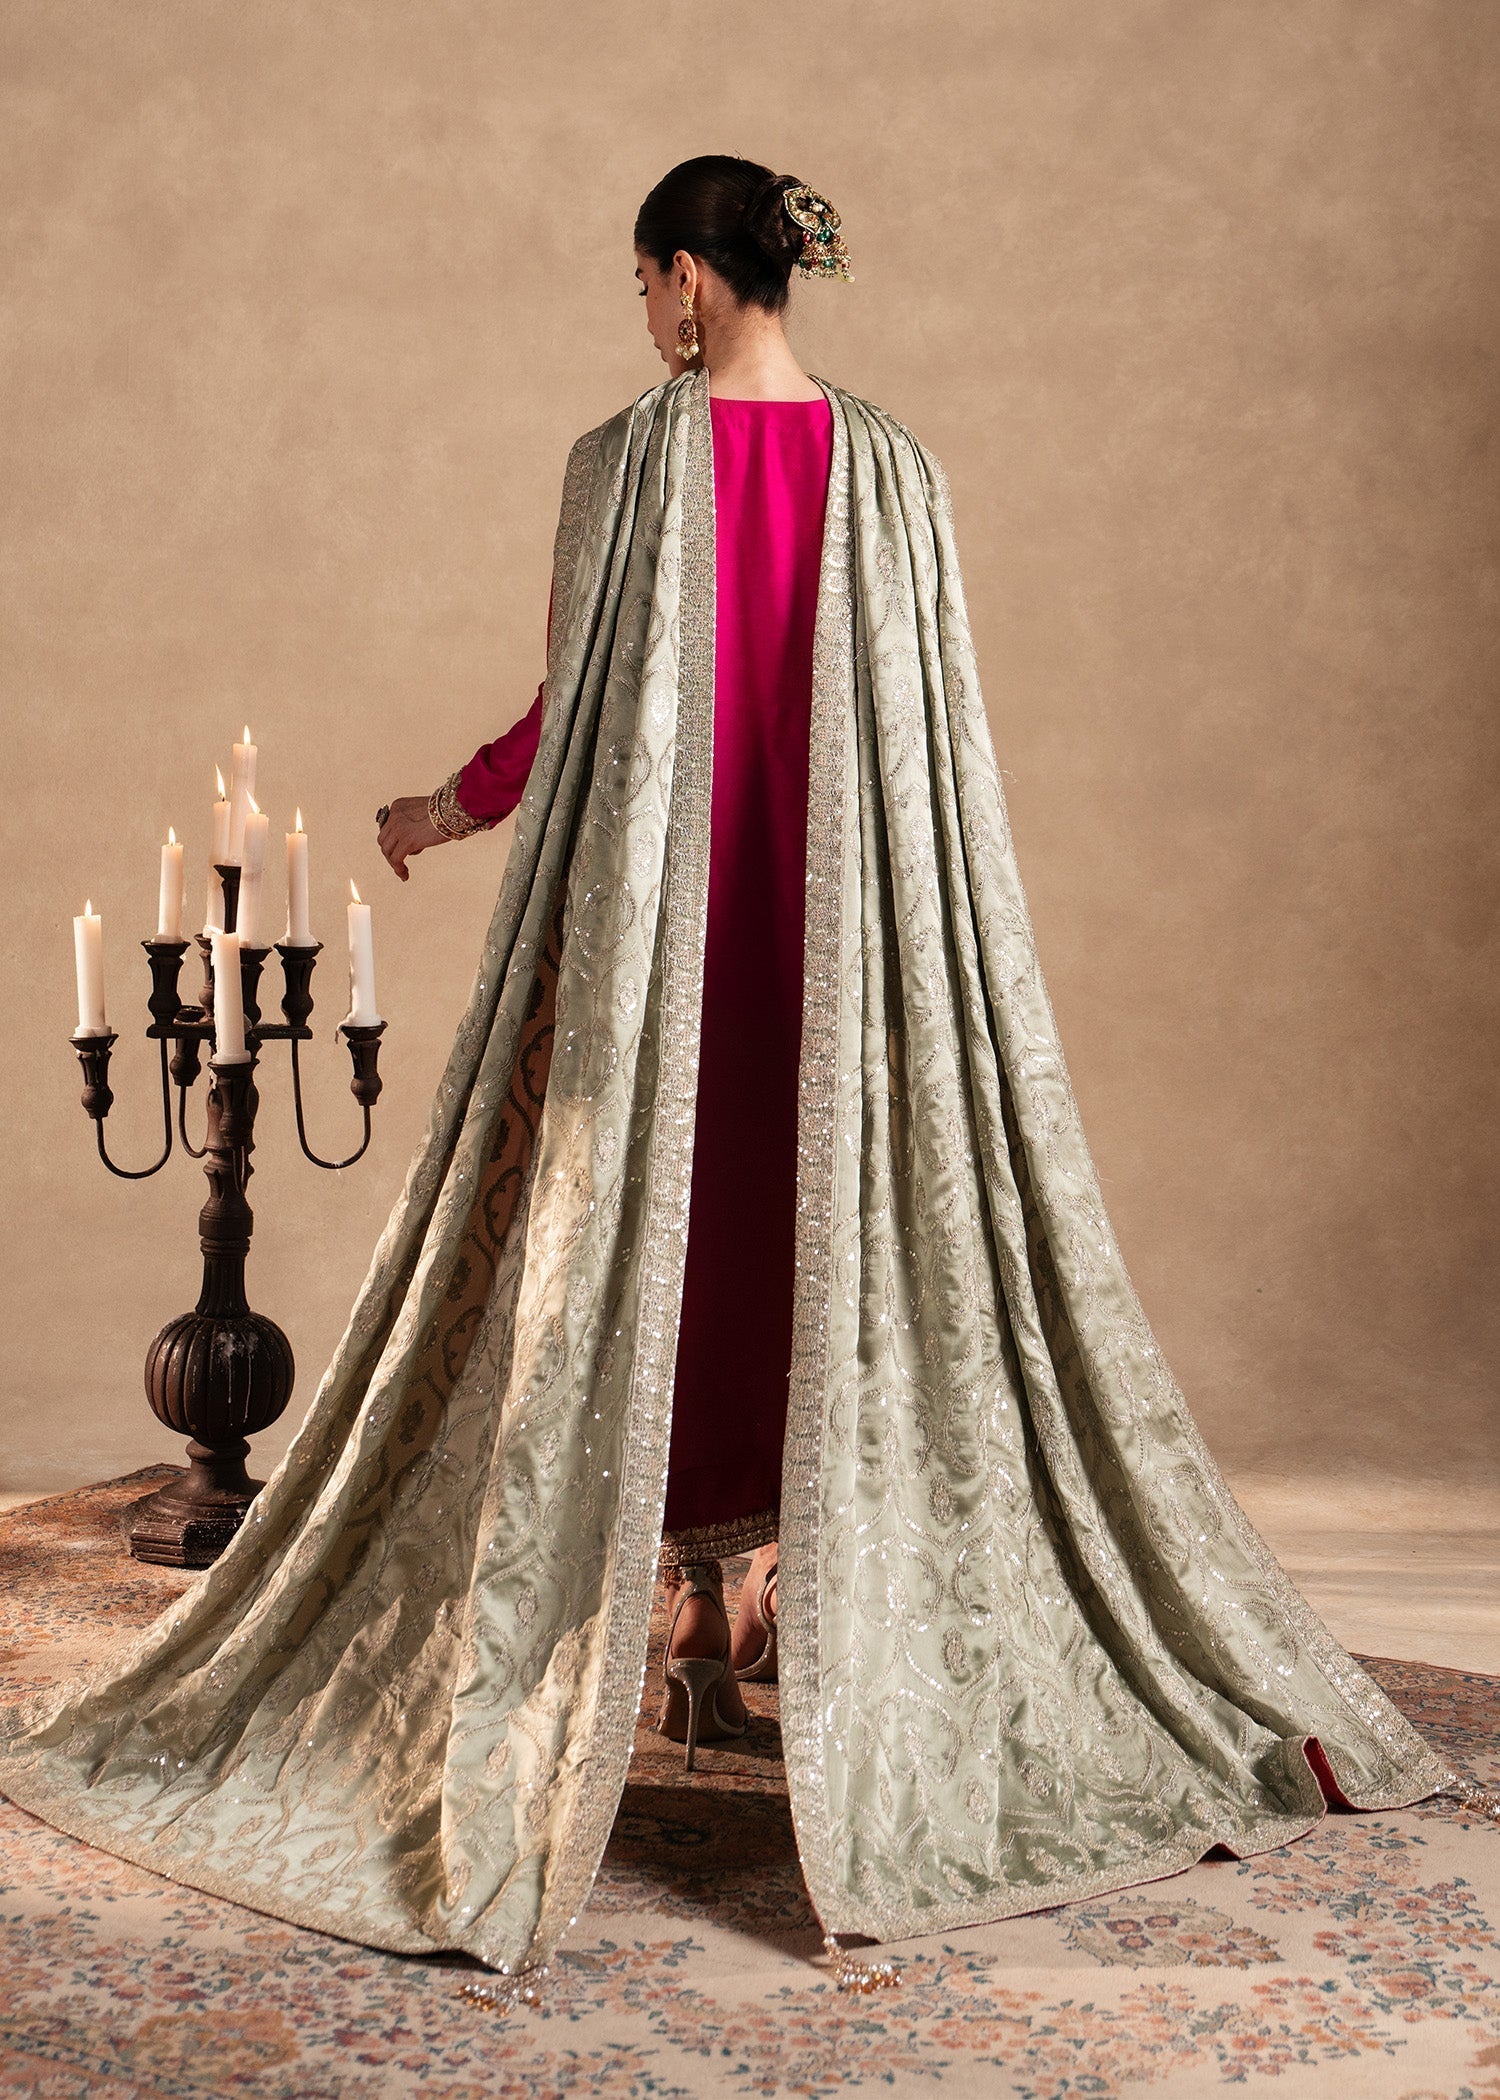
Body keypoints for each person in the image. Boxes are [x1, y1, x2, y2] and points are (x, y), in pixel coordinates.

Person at [0, 155, 1476, 2001]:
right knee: (814, 1250)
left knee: (643, 1260)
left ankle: (686, 1611)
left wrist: (441, 811)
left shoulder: (624, 466)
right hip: (856, 984)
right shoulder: (899, 471)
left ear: (693, 282)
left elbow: (577, 717)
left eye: (644, 283)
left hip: (662, 976)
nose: (642, 315)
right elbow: (935, 750)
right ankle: (755, 1606)